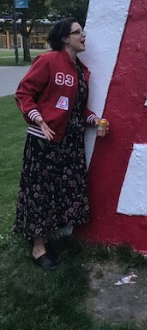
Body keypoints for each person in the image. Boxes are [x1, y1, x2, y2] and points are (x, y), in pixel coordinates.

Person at [14, 17, 102, 271]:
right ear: (65, 38)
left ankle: (52, 235)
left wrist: (92, 119)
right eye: (78, 32)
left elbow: (76, 109)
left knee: (62, 192)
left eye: (82, 31)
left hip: (70, 143)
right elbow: (24, 93)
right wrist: (38, 119)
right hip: (46, 141)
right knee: (40, 193)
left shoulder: (81, 70)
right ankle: (38, 247)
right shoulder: (49, 61)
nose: (83, 36)